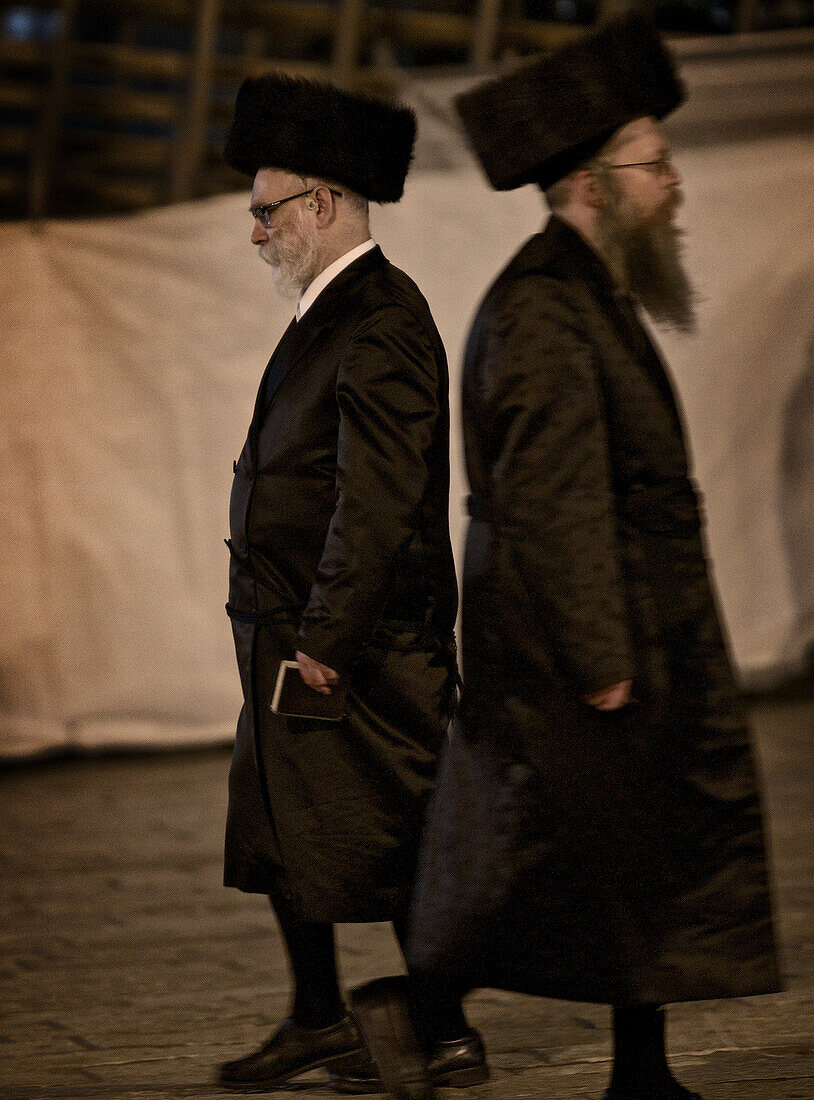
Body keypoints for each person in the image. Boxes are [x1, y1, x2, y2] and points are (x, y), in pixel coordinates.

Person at [350, 16, 781, 1100]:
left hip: (628, 624)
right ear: (592, 180)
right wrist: (600, 649)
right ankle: (417, 1005)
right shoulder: (544, 310)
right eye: (654, 163)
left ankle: (639, 1071)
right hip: (575, 640)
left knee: (625, 856)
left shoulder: (583, 292)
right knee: (535, 857)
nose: (672, 184)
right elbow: (553, 499)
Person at [217, 73, 486, 1090]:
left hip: (360, 644)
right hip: (297, 633)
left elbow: (377, 498)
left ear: (323, 203)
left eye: (265, 211)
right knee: (291, 828)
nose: (255, 233)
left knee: (400, 830)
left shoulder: (379, 317)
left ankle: (448, 1029)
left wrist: (325, 637)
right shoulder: (326, 315)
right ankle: (320, 1017)